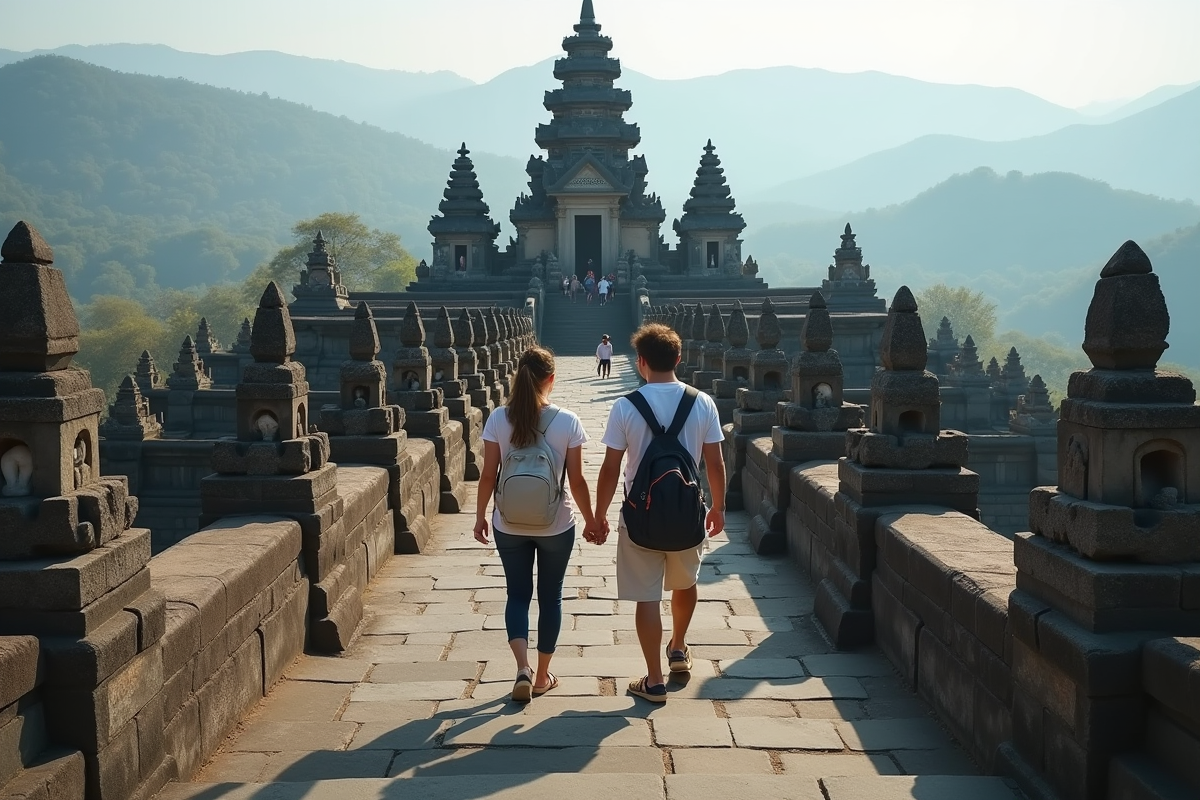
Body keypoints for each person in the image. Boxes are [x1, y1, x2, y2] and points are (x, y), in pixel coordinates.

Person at [588, 323, 726, 703]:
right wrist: (718, 506)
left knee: (647, 597)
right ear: (679, 359)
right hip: (687, 513)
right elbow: (714, 464)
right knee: (685, 582)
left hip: (640, 517)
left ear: (641, 362)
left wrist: (598, 516)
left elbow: (611, 467)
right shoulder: (703, 402)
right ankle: (678, 647)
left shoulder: (626, 405)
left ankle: (653, 679)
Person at [475, 345, 597, 702]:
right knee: (550, 596)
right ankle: (543, 676)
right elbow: (577, 480)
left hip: (508, 522)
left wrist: (481, 515)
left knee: (517, 594)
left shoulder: (499, 417)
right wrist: (592, 521)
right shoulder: (568, 421)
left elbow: (487, 475)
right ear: (552, 379)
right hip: (556, 523)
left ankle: (522, 669)